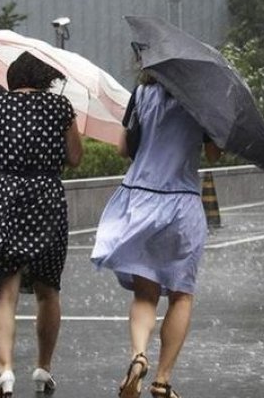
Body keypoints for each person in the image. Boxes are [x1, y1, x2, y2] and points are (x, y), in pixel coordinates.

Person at [90, 68, 222, 398]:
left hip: (139, 198)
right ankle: (162, 380)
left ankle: (138, 355)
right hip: (181, 203)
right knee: (181, 294)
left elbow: (124, 148)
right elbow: (214, 154)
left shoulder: (141, 94)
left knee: (144, 293)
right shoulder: (202, 101)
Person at [0, 51, 83, 398]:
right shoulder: (60, 108)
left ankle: (5, 371)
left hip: (6, 197)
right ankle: (43, 368)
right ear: (43, 77)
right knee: (48, 290)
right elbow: (75, 158)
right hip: (46, 198)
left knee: (5, 293)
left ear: (13, 77)